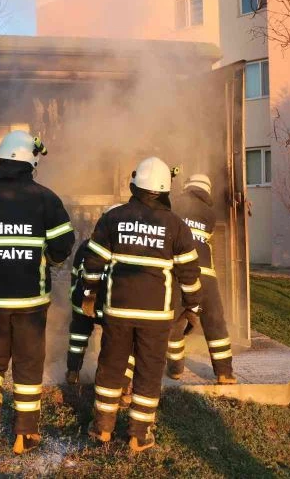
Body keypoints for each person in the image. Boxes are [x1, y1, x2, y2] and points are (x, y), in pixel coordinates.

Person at [0, 130, 74, 455]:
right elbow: (64, 243)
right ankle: (25, 433)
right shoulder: (45, 199)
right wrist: (47, 258)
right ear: (30, 162)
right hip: (30, 302)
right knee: (27, 362)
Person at [83, 157, 202, 452]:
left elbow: (93, 262)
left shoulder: (113, 218)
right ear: (164, 189)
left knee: (111, 367)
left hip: (118, 311)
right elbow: (189, 273)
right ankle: (138, 434)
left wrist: (89, 294)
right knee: (148, 372)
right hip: (156, 316)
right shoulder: (175, 225)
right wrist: (193, 306)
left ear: (135, 185)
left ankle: (102, 428)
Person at [167, 174, 237, 384]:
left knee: (175, 323)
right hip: (206, 275)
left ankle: (176, 368)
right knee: (215, 323)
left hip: (181, 273)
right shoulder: (210, 214)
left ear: (188, 187)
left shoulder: (175, 204)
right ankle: (225, 372)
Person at [65, 236, 134, 408]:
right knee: (125, 341)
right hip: (110, 306)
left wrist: (77, 297)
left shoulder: (86, 244)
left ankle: (73, 372)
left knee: (78, 335)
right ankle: (123, 384)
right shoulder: (127, 246)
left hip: (83, 299)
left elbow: (74, 274)